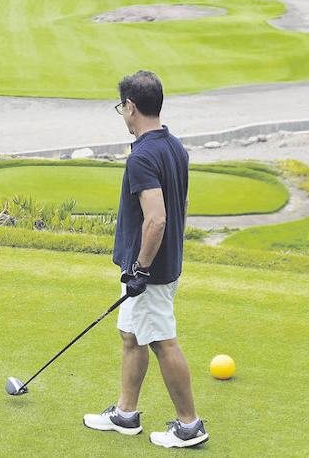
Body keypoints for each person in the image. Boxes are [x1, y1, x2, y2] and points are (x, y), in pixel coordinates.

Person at [83, 70, 208, 448]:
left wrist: (141, 267)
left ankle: (189, 425)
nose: (123, 113)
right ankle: (125, 414)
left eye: (122, 107)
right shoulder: (174, 146)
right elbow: (181, 206)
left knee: (162, 341)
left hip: (149, 269)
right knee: (132, 335)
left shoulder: (142, 156)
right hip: (160, 264)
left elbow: (157, 218)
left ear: (131, 107)